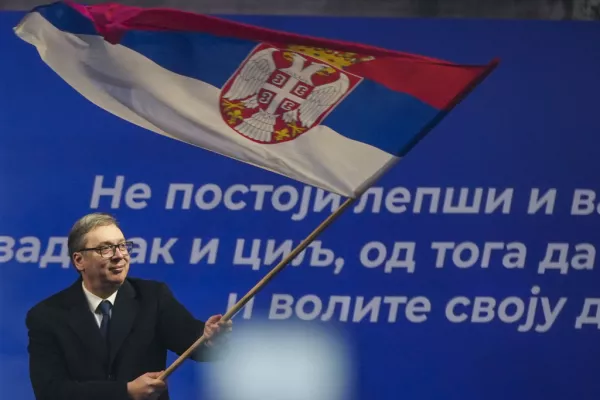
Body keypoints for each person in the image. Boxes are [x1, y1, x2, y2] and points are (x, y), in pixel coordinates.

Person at [25, 212, 232, 400]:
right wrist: (125, 391)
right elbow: (50, 392)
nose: (119, 255)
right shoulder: (47, 316)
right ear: (79, 261)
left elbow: (193, 342)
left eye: (122, 246)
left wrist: (210, 339)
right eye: (105, 248)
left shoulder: (153, 297)